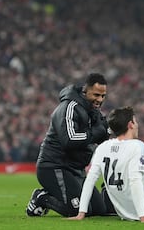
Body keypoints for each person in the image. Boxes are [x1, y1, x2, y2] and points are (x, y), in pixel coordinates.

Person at [26, 73, 110, 217]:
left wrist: (106, 133)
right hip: (54, 166)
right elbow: (69, 139)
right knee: (77, 210)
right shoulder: (69, 107)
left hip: (76, 169)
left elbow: (100, 136)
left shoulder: (93, 111)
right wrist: (95, 133)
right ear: (85, 91)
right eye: (96, 95)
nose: (99, 100)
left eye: (103, 96)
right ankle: (42, 198)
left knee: (98, 210)